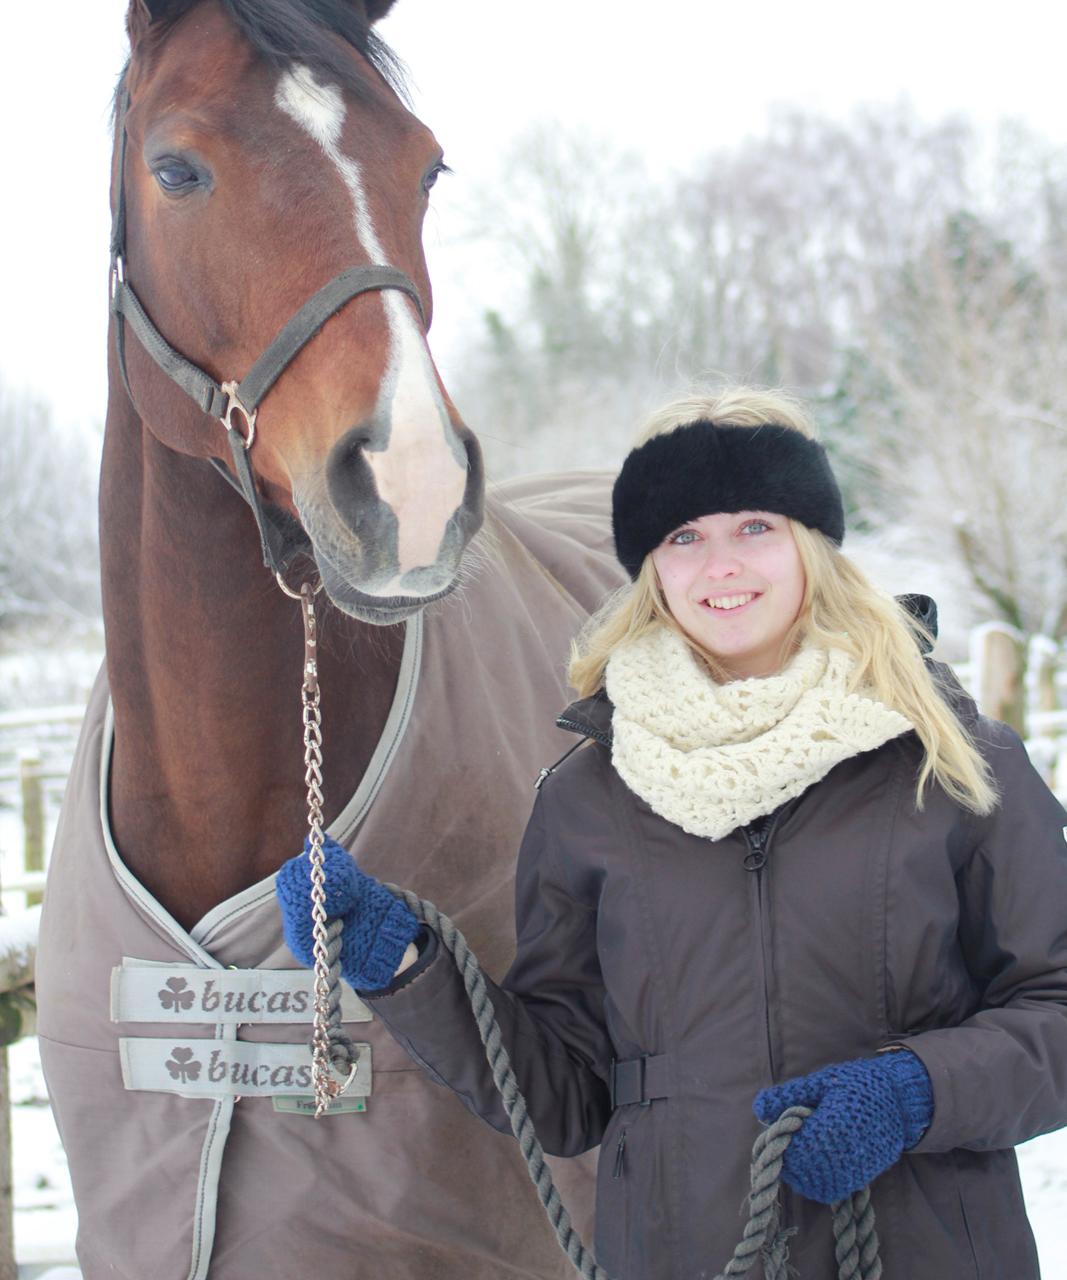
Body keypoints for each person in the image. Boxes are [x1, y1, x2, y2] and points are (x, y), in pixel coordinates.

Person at [276, 384, 1067, 1279]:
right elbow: (568, 1091)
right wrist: (408, 965)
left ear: (812, 542)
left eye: (754, 527)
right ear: (649, 565)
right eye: (683, 536)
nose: (719, 565)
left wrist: (914, 1093)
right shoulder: (591, 796)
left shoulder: (953, 763)